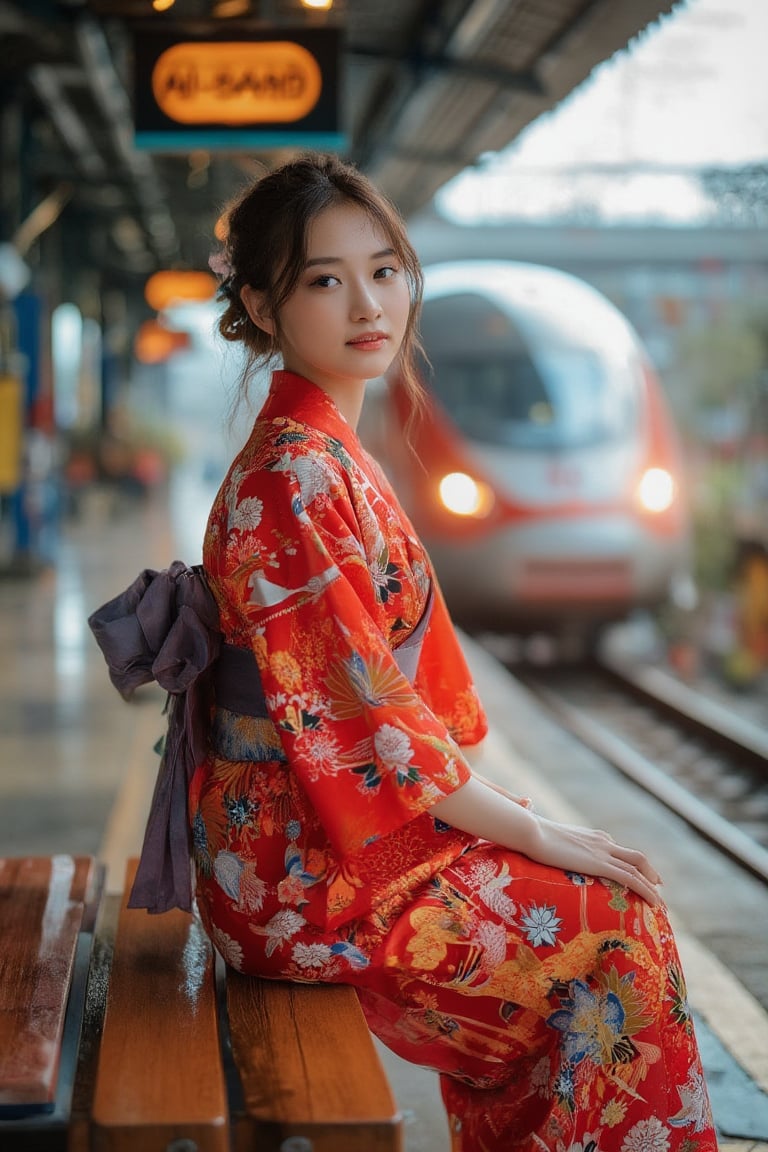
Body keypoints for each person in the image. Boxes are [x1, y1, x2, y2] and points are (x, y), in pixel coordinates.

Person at [92, 154, 717, 1151]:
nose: (368, 303)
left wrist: (520, 828)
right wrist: (538, 832)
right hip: (303, 878)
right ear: (260, 302)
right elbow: (366, 723)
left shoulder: (318, 448)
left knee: (600, 912)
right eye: (324, 280)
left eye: (385, 270)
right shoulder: (297, 477)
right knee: (614, 932)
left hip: (304, 842)